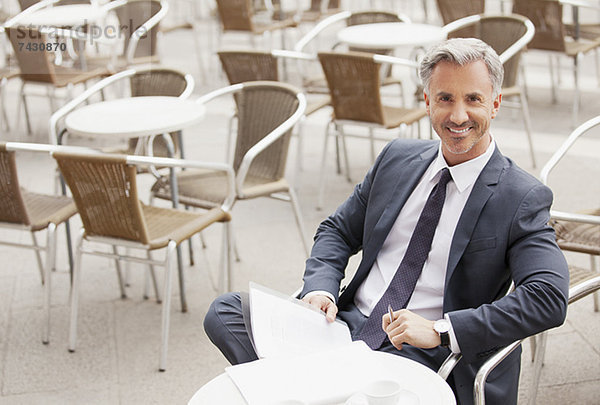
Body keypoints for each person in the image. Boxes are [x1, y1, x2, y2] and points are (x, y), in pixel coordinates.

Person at [203, 38, 569, 405]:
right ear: (427, 102)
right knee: (226, 311)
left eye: (473, 99)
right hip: (342, 326)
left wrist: (441, 330)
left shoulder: (520, 196)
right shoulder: (397, 158)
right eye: (445, 98)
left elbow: (548, 297)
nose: (458, 116)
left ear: (496, 103)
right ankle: (324, 384)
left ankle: (312, 386)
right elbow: (338, 230)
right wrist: (320, 290)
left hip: (418, 351)